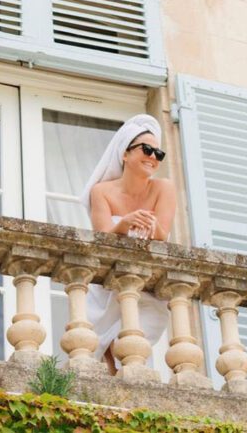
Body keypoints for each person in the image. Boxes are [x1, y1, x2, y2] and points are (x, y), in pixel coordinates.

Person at [80, 114, 176, 374]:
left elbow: (162, 235)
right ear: (125, 153)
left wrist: (149, 225)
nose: (153, 157)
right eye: (147, 149)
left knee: (142, 333)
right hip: (109, 284)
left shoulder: (164, 188)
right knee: (96, 347)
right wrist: (123, 225)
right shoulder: (101, 192)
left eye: (159, 153)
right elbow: (102, 240)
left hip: (146, 285)